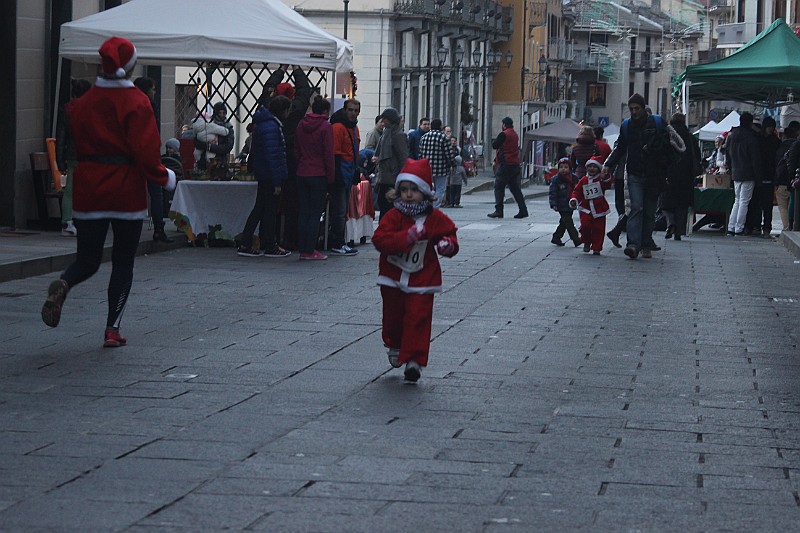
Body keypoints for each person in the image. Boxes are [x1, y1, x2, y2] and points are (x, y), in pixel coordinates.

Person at [40, 36, 177, 347]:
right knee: (123, 261)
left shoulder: (81, 103)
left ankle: (65, 282)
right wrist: (164, 177)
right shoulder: (137, 102)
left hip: (89, 186)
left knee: (87, 259)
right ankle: (112, 329)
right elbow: (146, 153)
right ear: (130, 67)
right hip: (125, 188)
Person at [372, 158, 459, 382]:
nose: (408, 195)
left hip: (423, 277)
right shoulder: (393, 216)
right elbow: (380, 240)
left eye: (414, 190)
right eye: (404, 190)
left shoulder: (434, 218)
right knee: (393, 317)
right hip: (392, 276)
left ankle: (414, 360)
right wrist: (406, 237)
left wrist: (447, 245)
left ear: (425, 192)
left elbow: (449, 234)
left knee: (418, 317)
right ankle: (394, 343)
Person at [602, 94, 680, 259]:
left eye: (637, 108)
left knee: (650, 211)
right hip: (634, 173)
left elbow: (674, 144)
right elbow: (620, 147)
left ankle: (646, 243)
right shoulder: (627, 126)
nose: (634, 112)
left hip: (654, 174)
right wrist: (608, 165)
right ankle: (632, 245)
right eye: (631, 109)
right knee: (636, 207)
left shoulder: (658, 122)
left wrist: (669, 170)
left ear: (644, 108)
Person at [236, 95, 292, 258]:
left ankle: (259, 243)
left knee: (262, 209)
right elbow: (272, 155)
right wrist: (276, 181)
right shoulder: (272, 127)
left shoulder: (265, 124)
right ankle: (262, 244)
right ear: (283, 110)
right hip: (269, 176)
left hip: (264, 174)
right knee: (266, 210)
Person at [294, 95, 334, 260]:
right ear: (325, 111)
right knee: (315, 212)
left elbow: (296, 149)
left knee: (304, 212)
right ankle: (310, 249)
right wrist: (330, 178)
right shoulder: (325, 127)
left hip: (302, 171)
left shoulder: (301, 125)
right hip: (318, 173)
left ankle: (302, 247)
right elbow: (328, 154)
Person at [133, 77, 173, 243]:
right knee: (156, 192)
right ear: (147, 90)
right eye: (153, 89)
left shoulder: (132, 105)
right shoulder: (150, 107)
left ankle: (133, 227)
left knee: (136, 192)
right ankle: (158, 228)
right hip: (149, 154)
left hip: (134, 155)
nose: (155, 92)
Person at [56, 78, 92, 237]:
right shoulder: (91, 108)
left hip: (72, 154)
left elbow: (61, 137)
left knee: (69, 190)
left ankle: (67, 222)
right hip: (89, 155)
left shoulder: (67, 109)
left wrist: (59, 158)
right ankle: (85, 220)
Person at [328, 98, 361, 256]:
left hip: (348, 171)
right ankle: (337, 242)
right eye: (350, 110)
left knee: (343, 209)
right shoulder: (338, 128)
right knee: (339, 210)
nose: (353, 113)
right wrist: (337, 175)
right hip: (341, 171)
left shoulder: (354, 128)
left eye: (355, 110)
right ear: (344, 110)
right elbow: (335, 153)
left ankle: (340, 241)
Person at [662, 113, 702, 241]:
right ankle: (679, 231)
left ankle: (670, 223)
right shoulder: (690, 137)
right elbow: (697, 155)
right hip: (686, 175)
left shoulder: (666, 135)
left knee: (666, 202)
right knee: (682, 204)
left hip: (669, 172)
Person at [724, 112, 762, 236]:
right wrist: (758, 177)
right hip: (748, 173)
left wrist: (730, 168)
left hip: (736, 172)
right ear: (750, 122)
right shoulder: (752, 138)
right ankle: (739, 228)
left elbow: (727, 156)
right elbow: (756, 160)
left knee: (737, 200)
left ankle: (731, 226)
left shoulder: (731, 136)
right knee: (744, 201)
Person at [570, 156, 614, 255]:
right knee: (585, 226)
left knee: (599, 229)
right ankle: (586, 241)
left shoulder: (600, 179)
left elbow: (607, 184)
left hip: (599, 208)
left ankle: (597, 247)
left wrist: (605, 177)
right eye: (590, 166)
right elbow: (577, 191)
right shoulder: (583, 180)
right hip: (586, 208)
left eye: (594, 166)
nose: (592, 169)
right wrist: (574, 199)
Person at [488, 117, 528, 219]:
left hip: (506, 164)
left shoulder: (504, 134)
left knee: (499, 187)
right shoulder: (515, 134)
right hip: (514, 164)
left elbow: (495, 145)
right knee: (515, 189)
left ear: (504, 125)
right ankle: (523, 210)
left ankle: (499, 210)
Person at [747, 116, 780, 237]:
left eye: (772, 127)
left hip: (766, 176)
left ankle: (766, 227)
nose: (770, 129)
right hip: (760, 176)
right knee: (757, 203)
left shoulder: (767, 141)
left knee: (765, 205)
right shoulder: (765, 141)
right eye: (769, 127)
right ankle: (757, 226)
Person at [374, 107, 409, 220]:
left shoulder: (398, 135)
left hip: (393, 179)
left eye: (386, 119)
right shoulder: (386, 134)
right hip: (383, 178)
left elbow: (403, 158)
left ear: (391, 120)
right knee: (384, 207)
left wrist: (402, 179)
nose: (383, 122)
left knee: (389, 209)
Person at [419, 119, 455, 208]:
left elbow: (420, 153)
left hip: (426, 168)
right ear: (440, 127)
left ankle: (427, 205)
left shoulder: (424, 137)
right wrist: (452, 164)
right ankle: (435, 207)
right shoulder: (444, 138)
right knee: (440, 189)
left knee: (428, 188)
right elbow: (449, 154)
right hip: (440, 168)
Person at [549, 157, 581, 247]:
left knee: (564, 222)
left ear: (570, 168)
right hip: (561, 204)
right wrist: (553, 204)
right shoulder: (556, 179)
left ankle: (556, 237)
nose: (563, 169)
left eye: (566, 167)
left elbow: (578, 189)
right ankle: (576, 239)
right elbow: (553, 192)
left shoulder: (574, 178)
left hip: (570, 203)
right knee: (568, 222)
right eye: (561, 167)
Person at [192, 101, 234, 170]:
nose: (222, 115)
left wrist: (210, 147)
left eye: (224, 113)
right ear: (215, 113)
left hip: (220, 162)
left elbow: (228, 146)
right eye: (220, 113)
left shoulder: (228, 127)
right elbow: (196, 140)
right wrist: (203, 145)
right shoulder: (207, 124)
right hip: (203, 162)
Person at [775, 123, 799, 232]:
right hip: (793, 180)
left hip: (783, 182)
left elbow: (778, 165)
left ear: (784, 136)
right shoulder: (796, 145)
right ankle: (793, 225)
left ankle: (787, 228)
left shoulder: (780, 147)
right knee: (793, 204)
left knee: (783, 206)